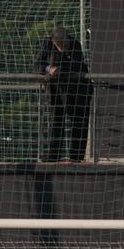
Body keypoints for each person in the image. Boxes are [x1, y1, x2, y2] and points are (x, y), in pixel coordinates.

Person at [35, 25, 91, 162]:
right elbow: (37, 65)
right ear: (53, 42)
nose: (61, 47)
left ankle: (76, 155)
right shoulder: (47, 44)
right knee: (56, 120)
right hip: (55, 88)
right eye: (58, 44)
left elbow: (77, 65)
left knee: (77, 120)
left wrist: (60, 68)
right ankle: (54, 155)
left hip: (75, 89)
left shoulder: (75, 44)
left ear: (68, 39)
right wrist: (49, 68)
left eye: (64, 44)